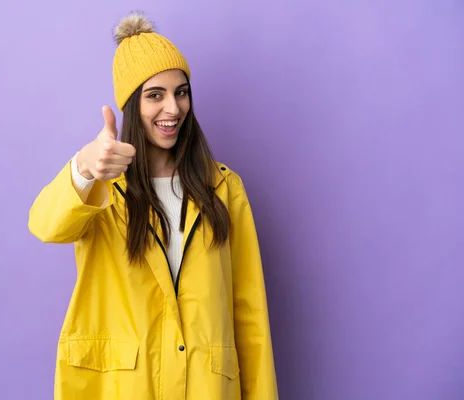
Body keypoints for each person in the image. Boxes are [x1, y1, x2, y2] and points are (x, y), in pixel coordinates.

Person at [28, 11, 278, 400]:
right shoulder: (103, 186)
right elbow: (46, 225)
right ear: (131, 105)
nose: (172, 109)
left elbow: (250, 317)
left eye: (181, 92)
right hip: (122, 388)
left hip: (207, 388)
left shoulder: (225, 189)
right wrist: (85, 166)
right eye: (154, 95)